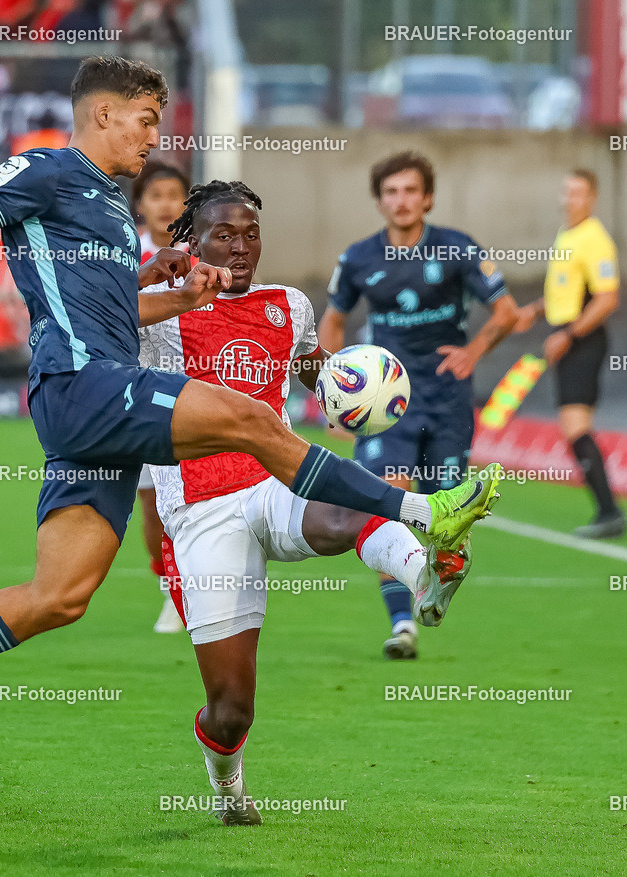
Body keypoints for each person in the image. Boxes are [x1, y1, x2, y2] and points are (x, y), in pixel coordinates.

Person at [0, 56, 502, 788]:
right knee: (250, 418)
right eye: (145, 120)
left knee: (60, 596)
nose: (154, 137)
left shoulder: (108, 204)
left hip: (94, 407)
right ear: (103, 114)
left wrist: (174, 288)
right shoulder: (45, 170)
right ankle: (425, 512)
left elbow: (111, 307)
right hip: (81, 385)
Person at [140, 180, 473, 825]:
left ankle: (425, 573)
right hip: (202, 508)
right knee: (231, 710)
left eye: (251, 234)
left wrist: (353, 386)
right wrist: (154, 279)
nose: (241, 247)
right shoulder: (161, 313)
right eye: (223, 235)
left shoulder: (287, 305)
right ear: (193, 244)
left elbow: (313, 370)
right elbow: (88, 319)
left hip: (275, 479)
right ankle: (228, 787)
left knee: (347, 506)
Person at [318, 151, 518, 661]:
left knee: (444, 517)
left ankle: (435, 583)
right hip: (385, 404)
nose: (401, 200)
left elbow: (506, 312)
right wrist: (334, 396)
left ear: (427, 198)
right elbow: (332, 323)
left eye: (410, 190)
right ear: (379, 201)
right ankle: (403, 623)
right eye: (391, 192)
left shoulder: (457, 249)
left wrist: (474, 351)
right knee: (386, 501)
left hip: (448, 398)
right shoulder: (359, 258)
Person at [513, 169, 623, 538]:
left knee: (576, 426)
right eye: (566, 191)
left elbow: (606, 299)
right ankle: (607, 510)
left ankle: (609, 511)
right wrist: (535, 310)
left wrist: (568, 335)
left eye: (577, 193)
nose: (569, 199)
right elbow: (565, 291)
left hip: (584, 340)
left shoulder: (595, 239)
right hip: (566, 335)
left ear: (592, 198)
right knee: (573, 426)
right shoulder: (567, 234)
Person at [131, 160, 192, 632]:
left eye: (175, 195)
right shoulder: (125, 252)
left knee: (193, 500)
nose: (166, 204)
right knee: (152, 505)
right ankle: (167, 584)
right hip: (138, 392)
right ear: (140, 205)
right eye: (156, 195)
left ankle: (194, 592)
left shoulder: (204, 254)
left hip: (193, 392)